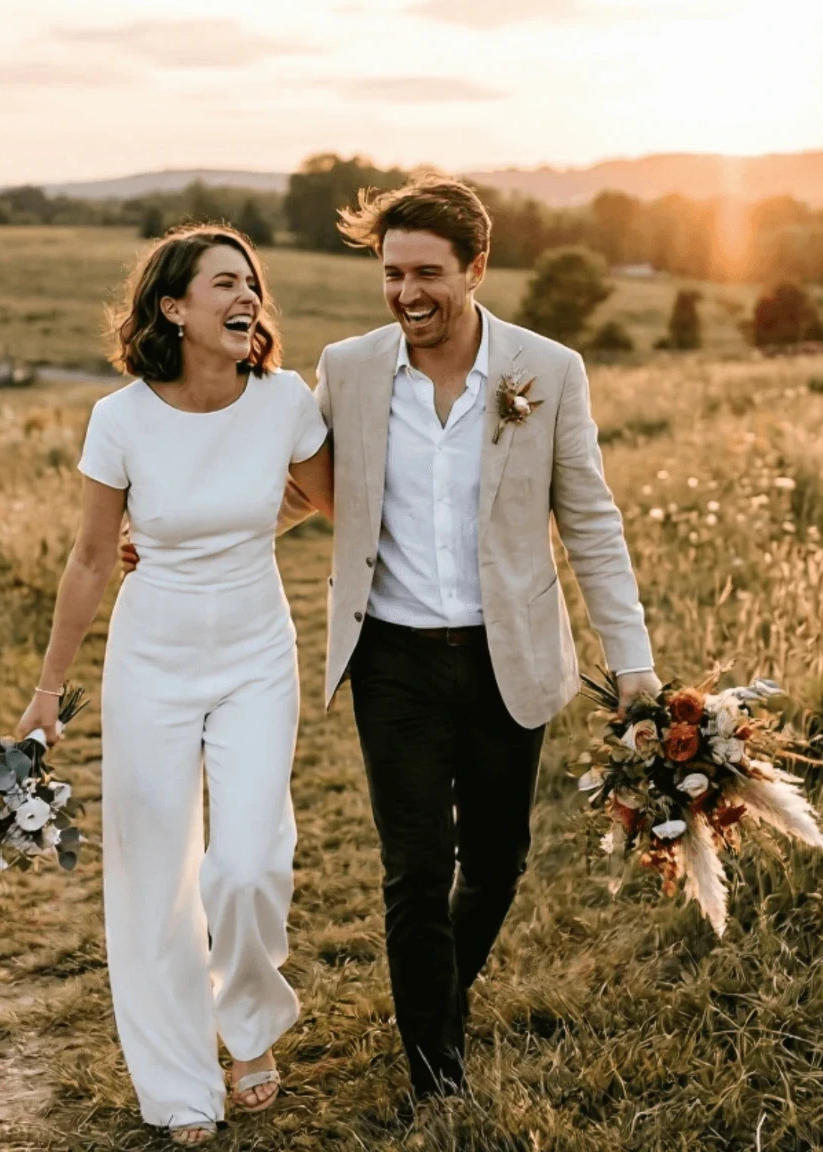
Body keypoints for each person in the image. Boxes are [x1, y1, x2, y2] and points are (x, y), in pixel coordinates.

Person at [290, 175, 657, 1106]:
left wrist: (636, 666)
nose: (407, 293)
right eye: (391, 273)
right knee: (416, 871)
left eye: (427, 273)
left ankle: (439, 1004)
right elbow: (298, 487)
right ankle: (435, 1076)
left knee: (495, 864)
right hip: (395, 658)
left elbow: (592, 523)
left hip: (511, 654)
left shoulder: (549, 370)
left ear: (477, 268)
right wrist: (176, 532)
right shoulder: (350, 367)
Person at [21, 224, 334, 1146]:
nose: (247, 298)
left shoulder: (284, 402)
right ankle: (179, 1083)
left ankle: (249, 1027)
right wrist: (49, 691)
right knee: (154, 870)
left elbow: (327, 503)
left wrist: (230, 535)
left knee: (245, 866)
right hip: (149, 659)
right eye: (225, 284)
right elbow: (88, 561)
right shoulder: (120, 419)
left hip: (255, 656)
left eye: (253, 284)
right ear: (174, 308)